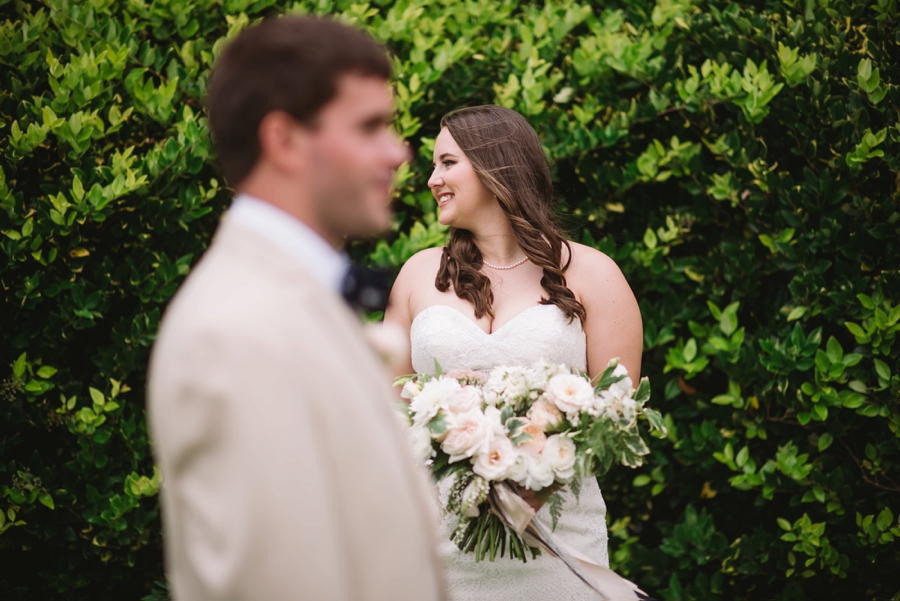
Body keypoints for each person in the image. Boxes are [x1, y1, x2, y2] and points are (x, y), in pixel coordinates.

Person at [147, 16, 444, 601]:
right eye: (369, 127)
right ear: (283, 140)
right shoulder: (236, 331)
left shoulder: (295, 300)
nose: (399, 152)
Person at [385, 105, 643, 600]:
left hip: (558, 546)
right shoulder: (417, 275)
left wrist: (538, 474)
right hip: (438, 549)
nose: (432, 179)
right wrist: (435, 411)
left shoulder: (593, 273)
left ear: (493, 165)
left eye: (446, 163)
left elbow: (618, 409)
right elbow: (386, 410)